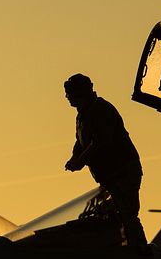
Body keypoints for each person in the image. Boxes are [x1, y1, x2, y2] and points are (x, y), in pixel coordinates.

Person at [63, 73, 148, 249]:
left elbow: (102, 142)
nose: (67, 97)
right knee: (111, 215)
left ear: (81, 92)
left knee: (126, 214)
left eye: (70, 93)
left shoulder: (101, 109)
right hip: (109, 176)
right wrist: (74, 157)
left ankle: (140, 252)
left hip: (123, 172)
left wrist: (81, 161)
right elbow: (80, 142)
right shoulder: (83, 114)